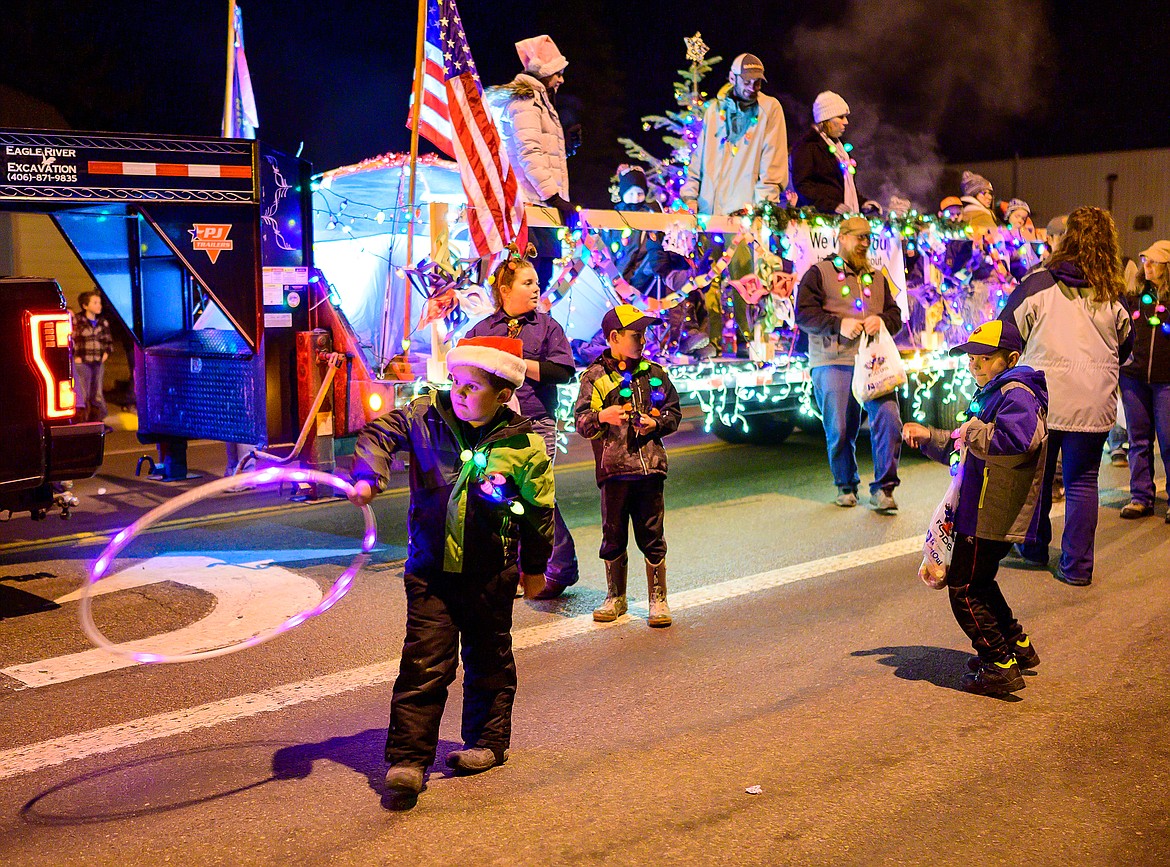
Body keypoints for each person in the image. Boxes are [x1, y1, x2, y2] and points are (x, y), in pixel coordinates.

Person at [349, 336, 556, 797]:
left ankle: (487, 741)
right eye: (455, 382)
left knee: (488, 659)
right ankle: (408, 758)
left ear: (503, 395)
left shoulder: (524, 444)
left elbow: (540, 510)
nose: (458, 393)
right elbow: (378, 434)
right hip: (431, 571)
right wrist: (368, 476)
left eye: (471, 387)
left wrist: (534, 566)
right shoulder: (425, 417)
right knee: (424, 663)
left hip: (491, 573)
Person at [902, 319, 1048, 696]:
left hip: (989, 514)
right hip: (981, 508)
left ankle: (998, 663)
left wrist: (971, 431)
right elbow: (966, 450)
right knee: (981, 582)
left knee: (964, 588)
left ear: (1010, 358)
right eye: (971, 359)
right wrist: (932, 437)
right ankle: (1016, 645)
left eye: (984, 359)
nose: (975, 366)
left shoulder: (1016, 392)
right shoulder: (994, 392)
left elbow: (1019, 440)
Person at [998, 206, 1133, 586]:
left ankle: (1034, 547)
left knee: (1037, 478)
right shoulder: (1113, 294)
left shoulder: (1038, 285)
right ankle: (1077, 568)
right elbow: (1125, 345)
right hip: (1093, 404)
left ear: (1067, 239)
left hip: (1043, 400)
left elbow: (1006, 331)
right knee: (1081, 482)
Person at [466, 254, 579, 597]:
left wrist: (517, 363)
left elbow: (563, 372)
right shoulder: (482, 330)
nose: (536, 289)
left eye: (537, 283)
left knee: (534, 496)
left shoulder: (546, 326)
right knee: (501, 495)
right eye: (527, 283)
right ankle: (512, 569)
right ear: (504, 290)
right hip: (495, 427)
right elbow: (465, 372)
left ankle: (558, 568)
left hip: (536, 422)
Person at [574, 304, 682, 628]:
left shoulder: (656, 374)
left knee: (652, 534)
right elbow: (580, 421)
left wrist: (656, 422)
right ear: (614, 337)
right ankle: (615, 597)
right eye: (636, 335)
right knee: (613, 534)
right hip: (613, 472)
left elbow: (674, 413)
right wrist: (601, 417)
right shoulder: (595, 377)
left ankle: (657, 598)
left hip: (650, 470)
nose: (643, 340)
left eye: (645, 333)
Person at [681, 53, 788, 356]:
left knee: (746, 280)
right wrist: (690, 194)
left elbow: (774, 161)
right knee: (708, 278)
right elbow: (699, 156)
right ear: (732, 78)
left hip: (743, 213)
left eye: (758, 81)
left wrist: (761, 207)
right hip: (708, 212)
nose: (754, 86)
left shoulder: (770, 109)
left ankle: (747, 339)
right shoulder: (714, 110)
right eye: (748, 80)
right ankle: (712, 339)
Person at [795, 216, 904, 511]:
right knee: (840, 426)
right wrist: (837, 324)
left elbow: (896, 317)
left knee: (890, 420)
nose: (865, 243)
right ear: (841, 237)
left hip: (875, 363)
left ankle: (884, 488)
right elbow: (803, 315)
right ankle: (845, 483)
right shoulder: (818, 273)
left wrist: (881, 320)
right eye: (859, 237)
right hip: (833, 360)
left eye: (868, 238)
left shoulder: (878, 277)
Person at [487, 35, 572, 290]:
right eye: (558, 73)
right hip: (530, 204)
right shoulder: (525, 101)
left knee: (540, 277)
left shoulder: (538, 101)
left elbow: (540, 152)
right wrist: (553, 195)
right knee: (530, 278)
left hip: (538, 201)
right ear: (544, 72)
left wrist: (567, 147)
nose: (561, 79)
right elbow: (528, 153)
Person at [1118, 240, 1170, 522]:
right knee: (1138, 440)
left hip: (1166, 380)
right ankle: (1141, 497)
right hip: (1133, 377)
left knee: (1169, 440)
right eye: (1144, 260)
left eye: (1153, 261)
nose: (1146, 266)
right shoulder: (1134, 296)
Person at [791, 91, 864, 215]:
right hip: (819, 222)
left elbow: (843, 188)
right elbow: (803, 185)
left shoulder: (840, 150)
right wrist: (831, 206)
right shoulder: (808, 146)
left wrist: (863, 203)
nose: (846, 122)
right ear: (826, 120)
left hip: (841, 218)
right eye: (841, 117)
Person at [72, 290, 114, 423]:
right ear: (85, 306)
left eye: (99, 303)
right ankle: (82, 421)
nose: (99, 306)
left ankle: (96, 420)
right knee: (83, 392)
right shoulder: (79, 321)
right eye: (95, 303)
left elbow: (108, 341)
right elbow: (73, 340)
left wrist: (106, 353)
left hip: (98, 361)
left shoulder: (103, 322)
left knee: (97, 393)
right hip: (83, 362)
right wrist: (76, 356)